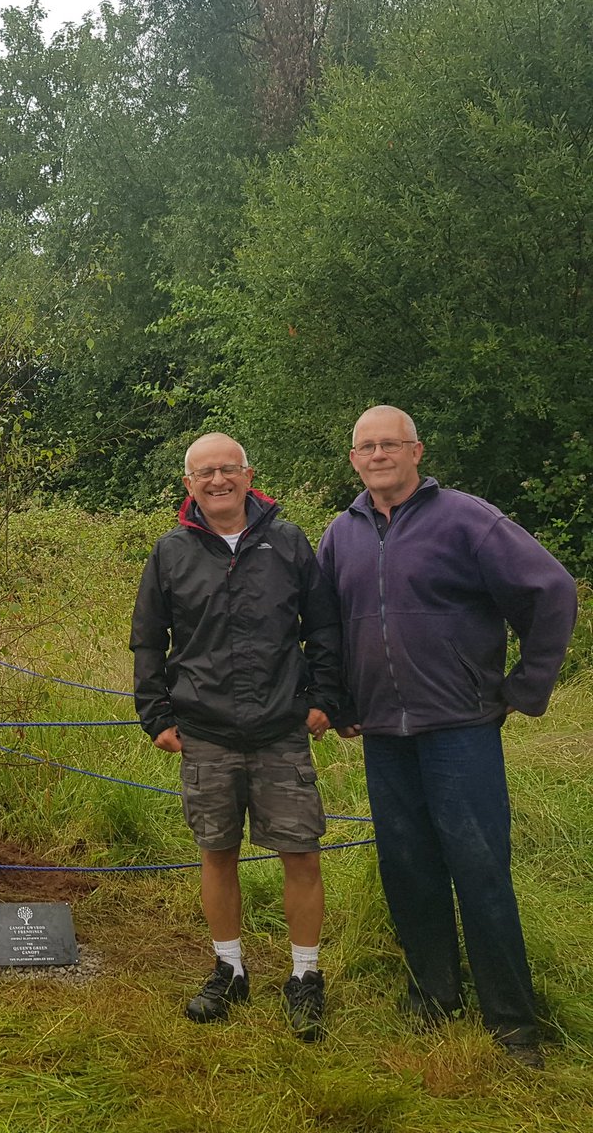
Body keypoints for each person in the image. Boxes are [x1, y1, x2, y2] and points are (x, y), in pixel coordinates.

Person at [317, 405, 577, 1067]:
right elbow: (326, 628)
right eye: (366, 447)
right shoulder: (339, 537)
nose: (378, 456)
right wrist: (340, 698)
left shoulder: (466, 519)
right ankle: (433, 999)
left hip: (461, 730)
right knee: (408, 872)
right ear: (353, 459)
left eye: (390, 445)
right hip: (383, 735)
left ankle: (513, 1024)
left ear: (416, 452)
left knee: (481, 871)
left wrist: (524, 688)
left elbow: (551, 590)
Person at [131, 434, 342, 1042]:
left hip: (281, 730)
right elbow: (149, 639)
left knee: (301, 853)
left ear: (249, 475)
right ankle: (229, 967)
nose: (217, 480)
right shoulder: (170, 551)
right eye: (205, 473)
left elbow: (323, 626)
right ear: (187, 484)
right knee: (217, 853)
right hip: (205, 732)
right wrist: (156, 715)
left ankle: (305, 975)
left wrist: (324, 698)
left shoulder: (289, 542)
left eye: (228, 470)